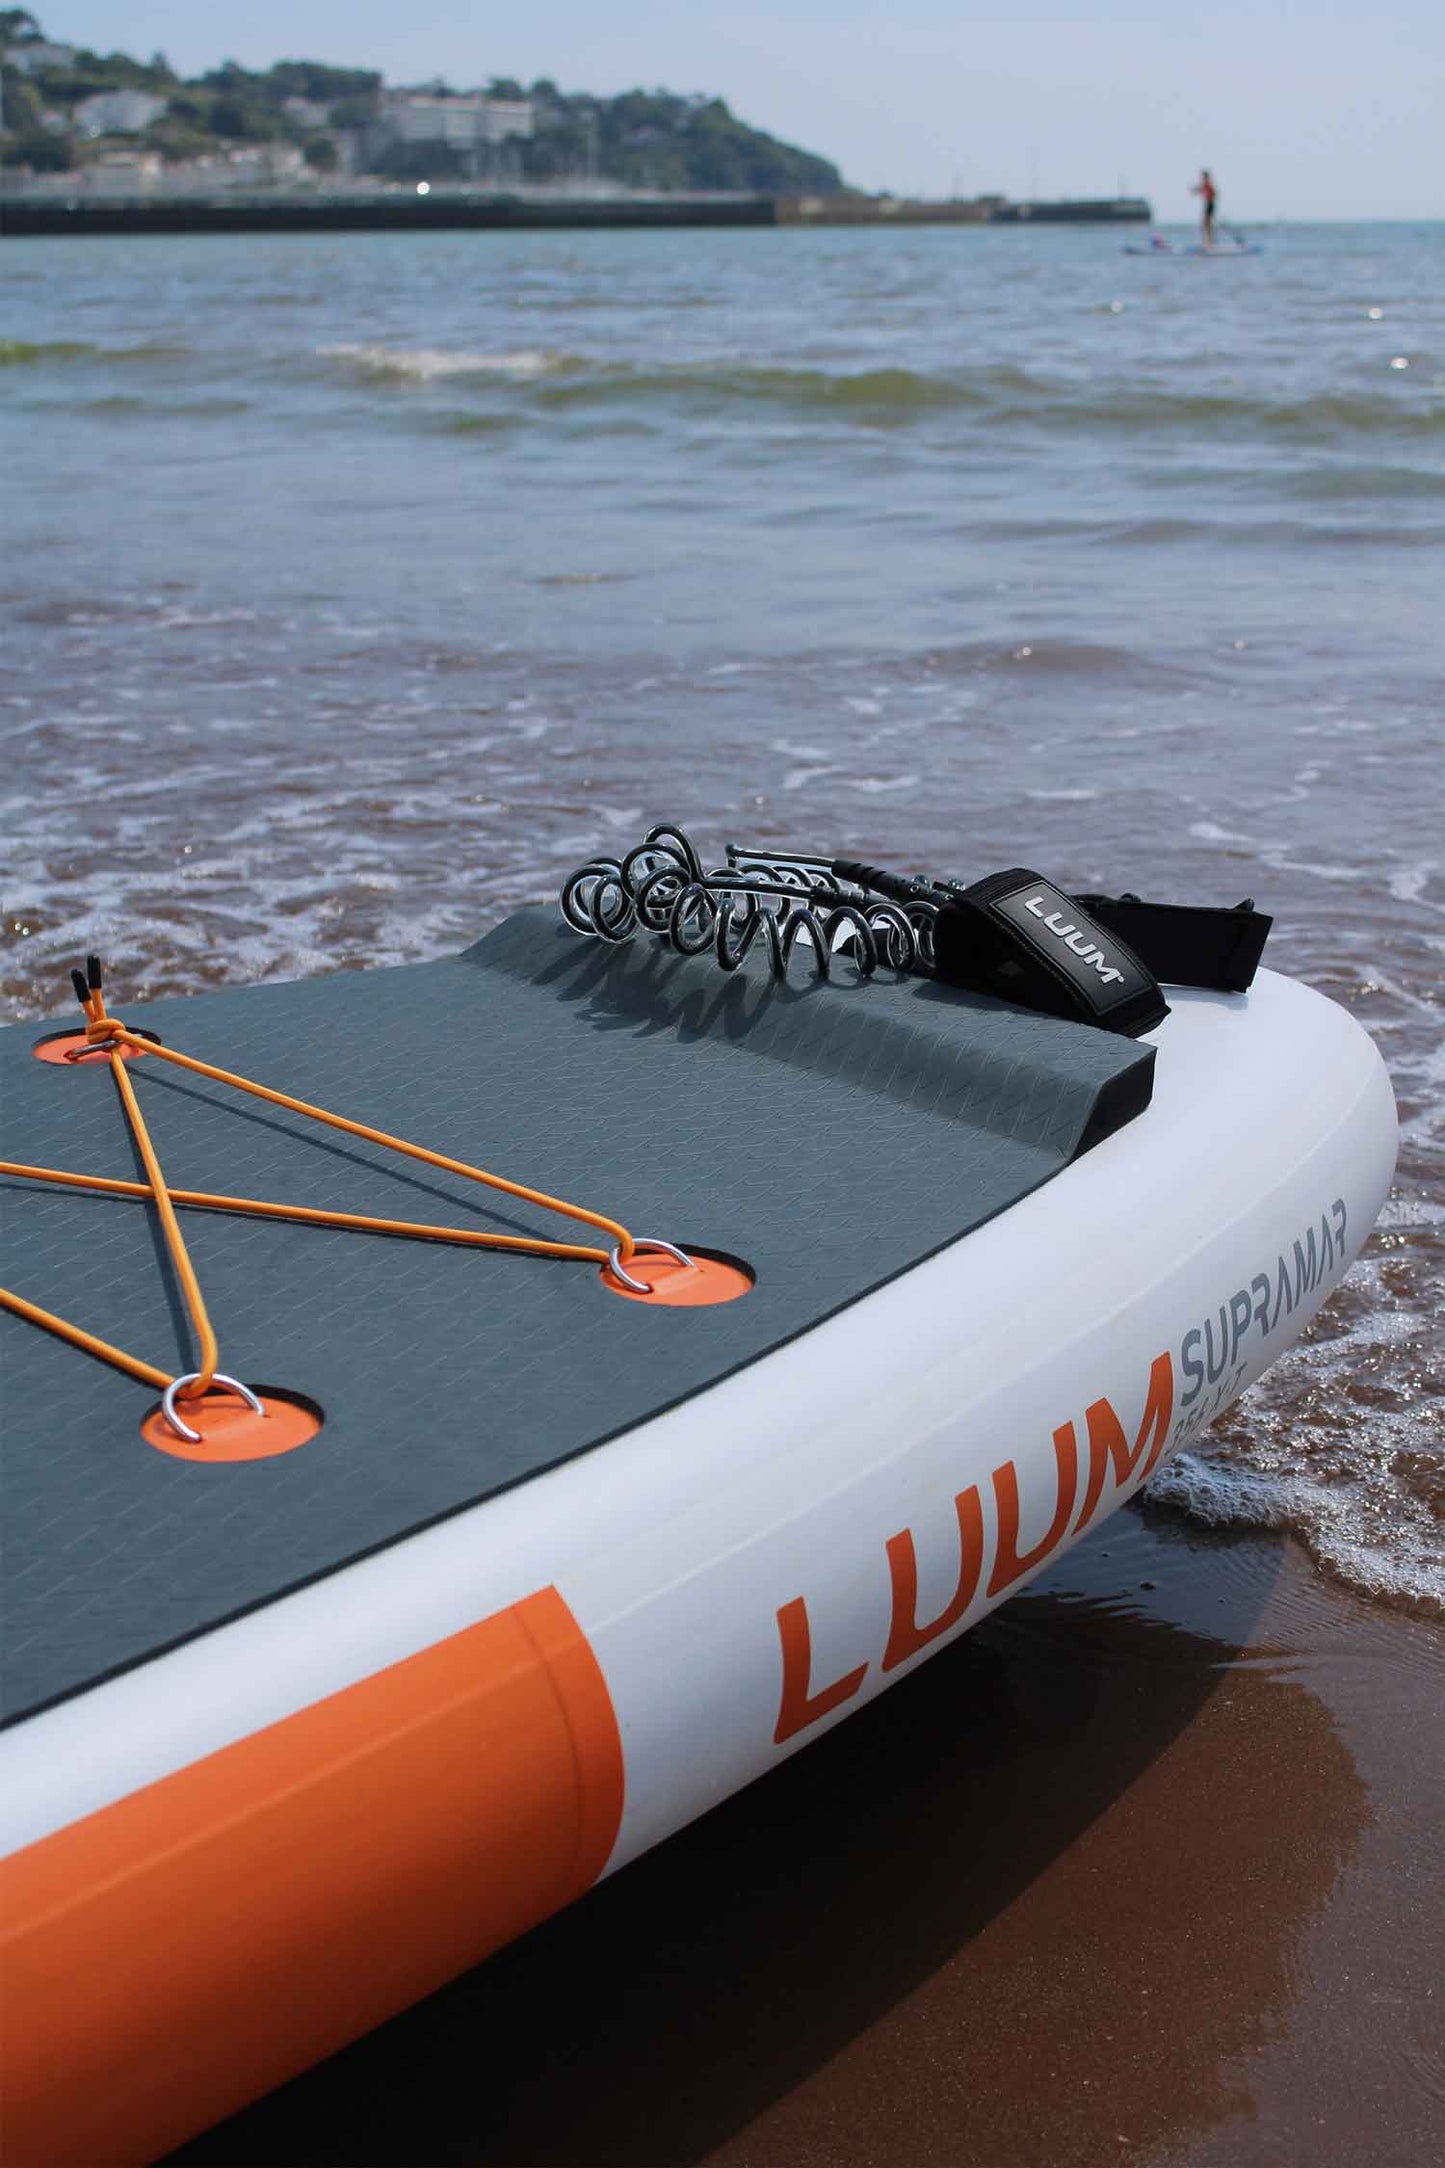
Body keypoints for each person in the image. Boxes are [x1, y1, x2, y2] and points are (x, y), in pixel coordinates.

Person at [1191, 168, 1218, 248]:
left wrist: (1197, 191)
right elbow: (1200, 190)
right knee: (1205, 225)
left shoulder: (1208, 184)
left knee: (1207, 225)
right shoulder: (1206, 184)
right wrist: (1195, 191)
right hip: (1208, 204)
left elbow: (1213, 194)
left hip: (1210, 205)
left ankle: (1210, 244)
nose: (1202, 178)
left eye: (1203, 176)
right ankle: (1207, 243)